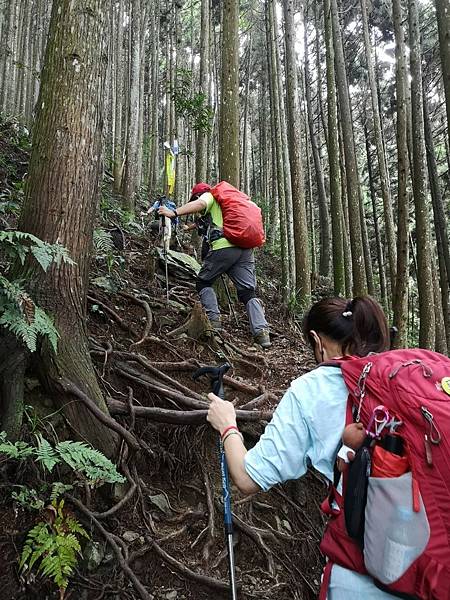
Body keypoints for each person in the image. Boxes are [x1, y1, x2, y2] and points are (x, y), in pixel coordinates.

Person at [207, 296, 399, 599]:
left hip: (363, 576)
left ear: (316, 341)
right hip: (434, 562)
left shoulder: (310, 391)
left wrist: (227, 424)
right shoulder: (403, 378)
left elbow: (246, 478)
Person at [158, 182, 271, 349]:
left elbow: (200, 204)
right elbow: (205, 220)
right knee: (248, 292)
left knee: (203, 281)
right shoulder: (236, 200)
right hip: (246, 249)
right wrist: (190, 227)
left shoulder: (210, 195)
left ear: (199, 194)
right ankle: (262, 333)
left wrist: (173, 213)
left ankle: (213, 321)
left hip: (223, 247)